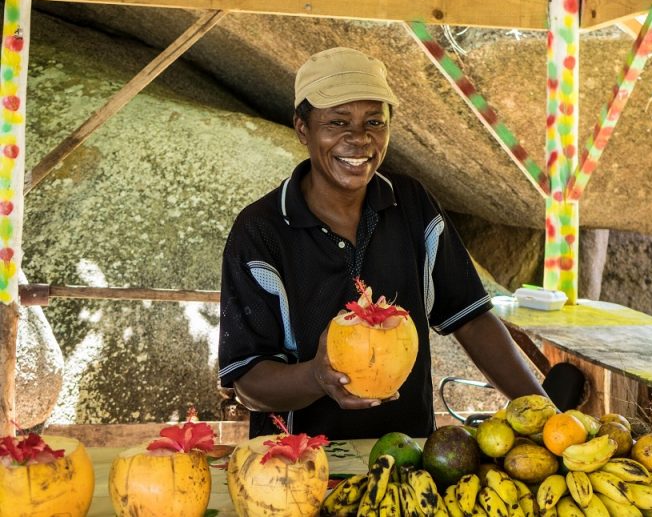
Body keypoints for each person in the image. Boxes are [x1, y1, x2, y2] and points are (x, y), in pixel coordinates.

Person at [218, 47, 578, 441]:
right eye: (337, 122)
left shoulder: (411, 205)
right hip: (297, 467)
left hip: (413, 456)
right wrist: (317, 377)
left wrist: (549, 421)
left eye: (374, 121)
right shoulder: (261, 231)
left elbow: (472, 319)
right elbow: (247, 382)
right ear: (303, 128)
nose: (359, 139)